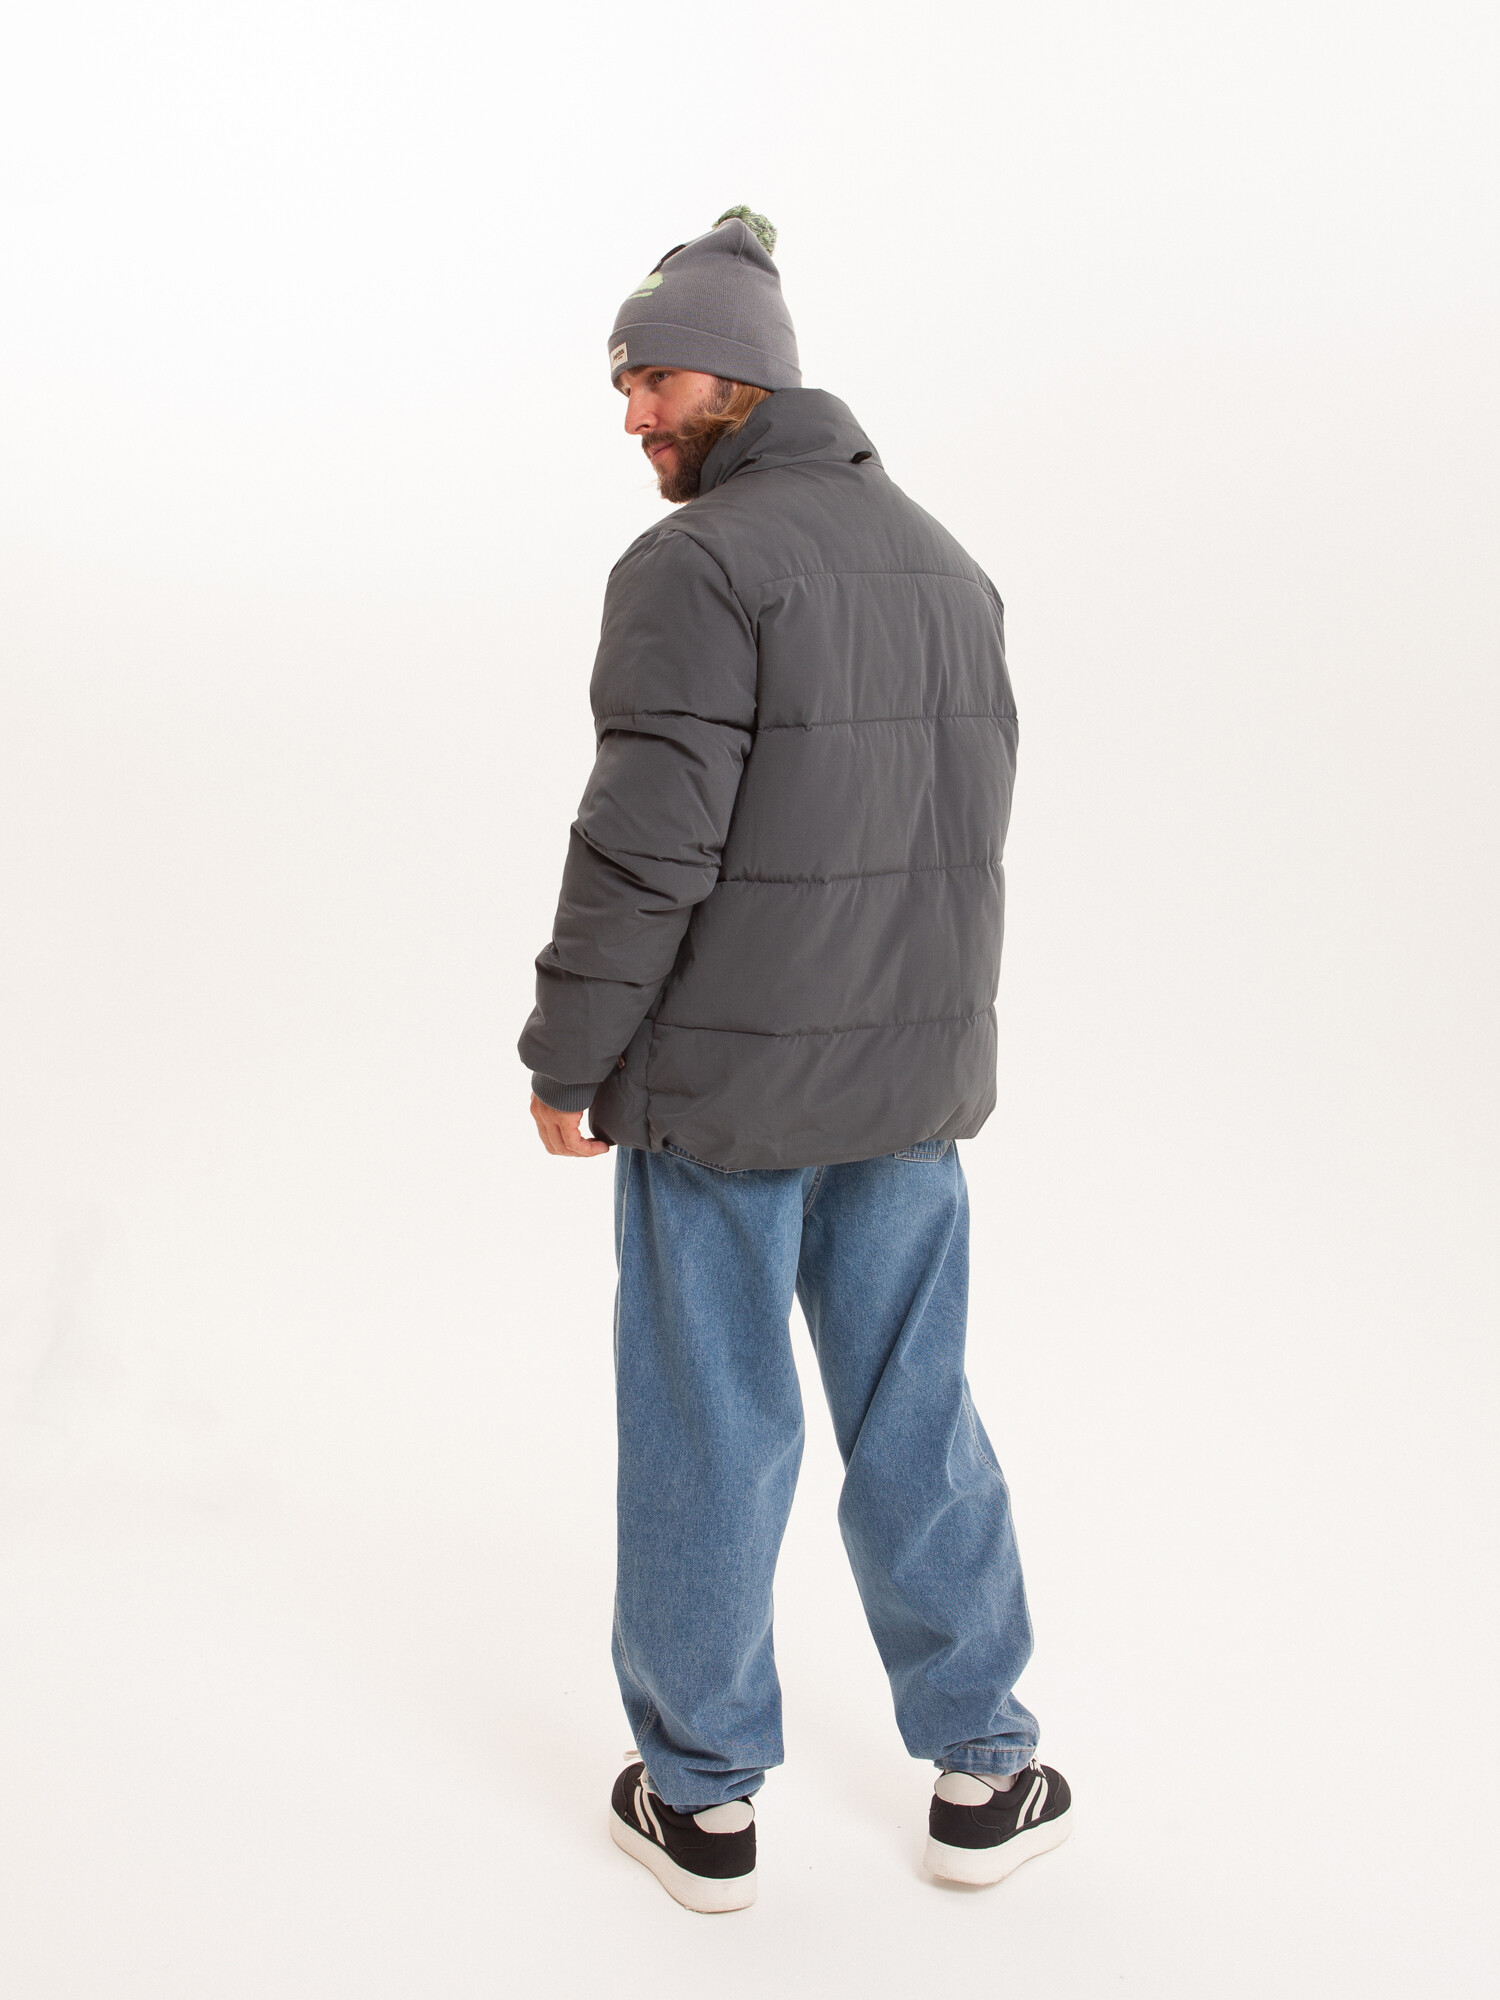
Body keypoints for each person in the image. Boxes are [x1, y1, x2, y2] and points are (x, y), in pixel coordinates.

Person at [518, 206, 1070, 1913]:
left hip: (727, 1095)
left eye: (656, 379)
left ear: (743, 380)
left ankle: (700, 1802)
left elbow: (646, 846)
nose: (633, 414)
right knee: (917, 1412)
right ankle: (987, 1765)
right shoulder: (947, 563)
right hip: (905, 1090)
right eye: (622, 385)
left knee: (711, 1420)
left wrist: (567, 1051)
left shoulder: (697, 567)